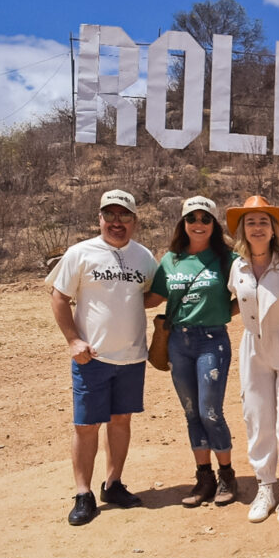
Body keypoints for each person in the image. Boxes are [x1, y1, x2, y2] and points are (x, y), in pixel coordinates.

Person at [48, 189, 159, 526]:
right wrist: (73, 341)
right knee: (86, 426)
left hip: (131, 357)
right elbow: (58, 296)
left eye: (124, 215)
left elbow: (153, 295)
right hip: (91, 358)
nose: (116, 222)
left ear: (135, 221)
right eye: (109, 215)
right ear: (99, 218)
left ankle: (113, 484)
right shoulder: (81, 253)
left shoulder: (144, 257)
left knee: (121, 420)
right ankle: (83, 493)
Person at [145, 196, 239, 507]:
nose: (198, 223)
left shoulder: (228, 259)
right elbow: (154, 298)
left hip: (212, 340)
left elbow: (250, 293)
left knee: (210, 411)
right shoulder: (171, 260)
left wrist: (225, 313)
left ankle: (227, 475)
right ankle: (204, 478)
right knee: (191, 412)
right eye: (192, 218)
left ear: (214, 224)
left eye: (205, 218)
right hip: (179, 342)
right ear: (183, 224)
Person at [225, 196, 279, 526]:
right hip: (253, 349)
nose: (257, 228)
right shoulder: (238, 266)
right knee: (257, 417)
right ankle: (266, 486)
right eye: (250, 222)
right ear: (242, 230)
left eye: (263, 222)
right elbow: (237, 302)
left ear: (274, 229)